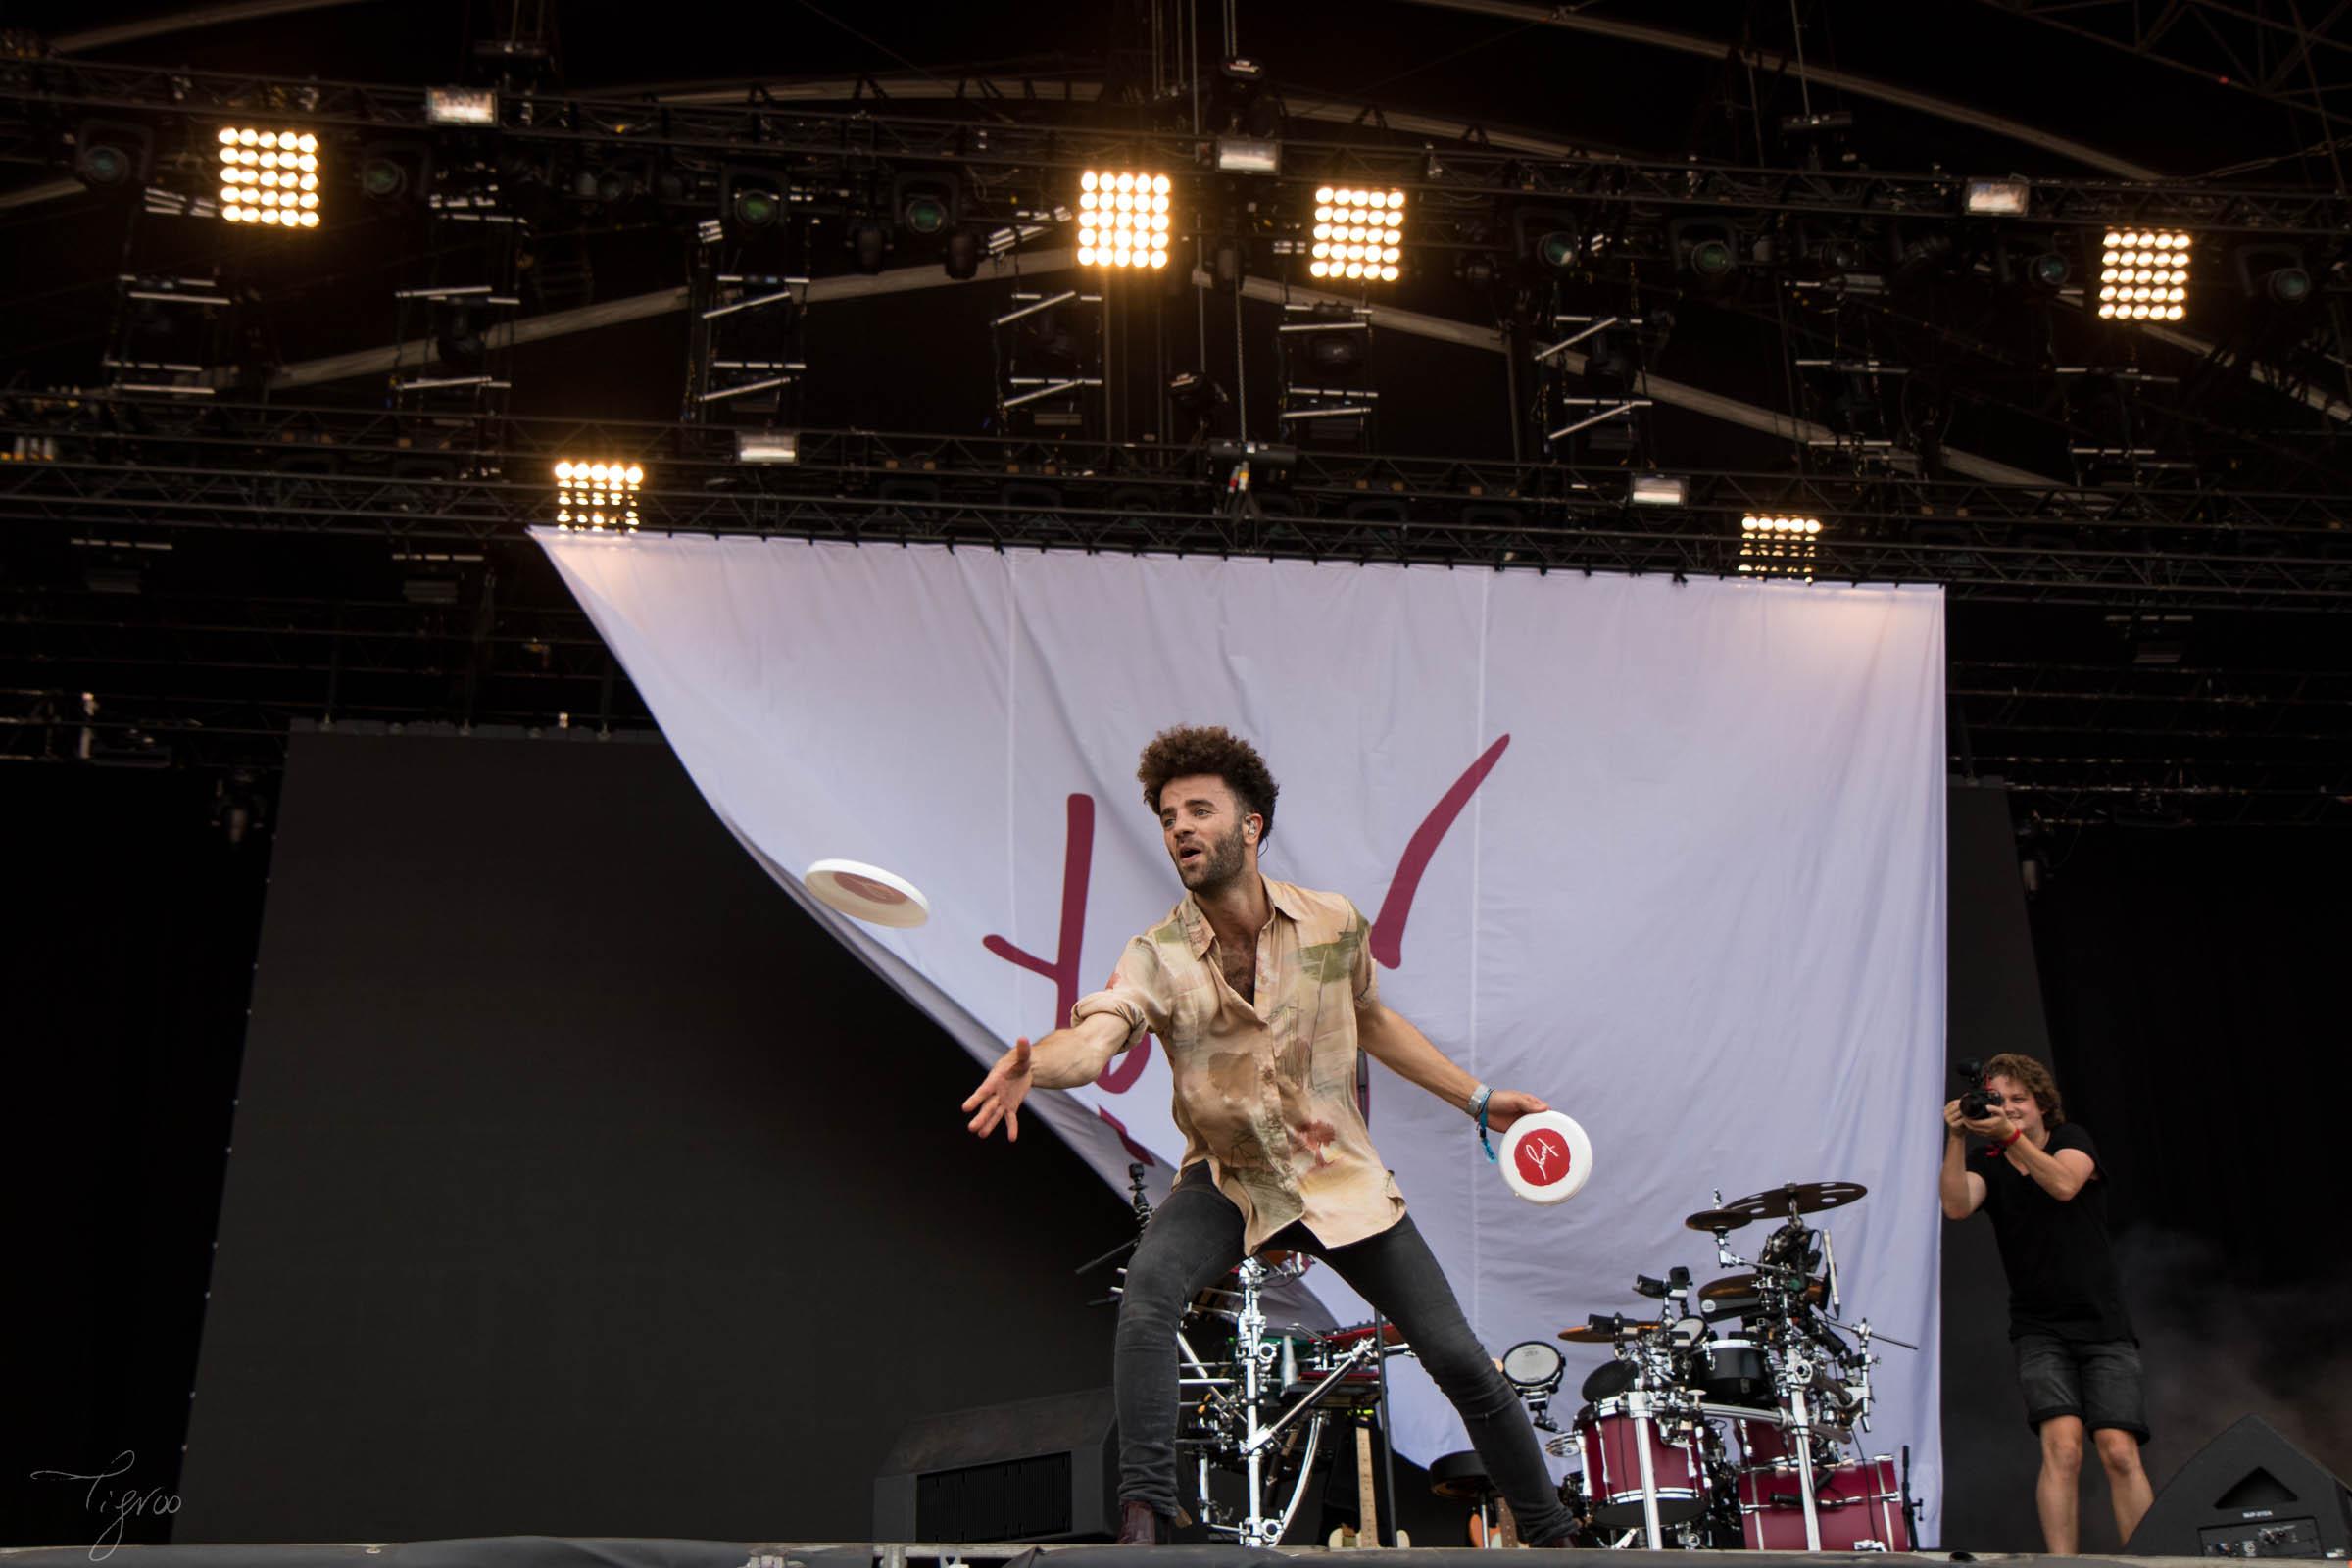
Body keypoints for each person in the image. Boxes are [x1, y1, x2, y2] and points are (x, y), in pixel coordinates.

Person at [961, 724, 1575, 1546]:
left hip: (1338, 1179)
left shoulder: (1330, 925)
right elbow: (1098, 1036)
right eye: (1169, 815)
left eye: (1200, 810)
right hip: (1230, 1177)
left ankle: (1553, 1535)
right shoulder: (1159, 955)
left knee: (1460, 1358)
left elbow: (1373, 1022)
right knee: (1149, 1296)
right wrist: (1037, 1068)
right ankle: (1142, 1521)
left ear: (1249, 826)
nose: (1180, 827)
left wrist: (1478, 1099)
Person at [1941, 1053, 2152, 1552]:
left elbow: (2061, 1184)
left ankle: (2149, 1558)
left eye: (2019, 1100)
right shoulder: (1987, 1163)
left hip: (2103, 1323)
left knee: (2119, 1450)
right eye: (1999, 1100)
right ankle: (2062, 1564)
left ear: (2041, 1105)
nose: (2009, 1109)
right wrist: (1956, 1138)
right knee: (2062, 1448)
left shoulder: (2071, 1140)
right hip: (2039, 1327)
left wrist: (2009, 1137)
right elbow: (1955, 1206)